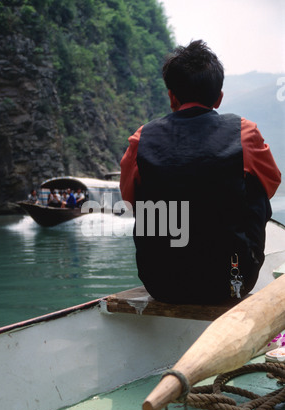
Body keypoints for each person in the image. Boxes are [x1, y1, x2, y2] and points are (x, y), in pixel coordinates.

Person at [120, 40, 281, 305]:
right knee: (256, 189)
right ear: (219, 98)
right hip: (231, 282)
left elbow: (129, 200)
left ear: (172, 96)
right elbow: (271, 185)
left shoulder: (141, 138)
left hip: (161, 283)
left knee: (148, 194)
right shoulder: (244, 132)